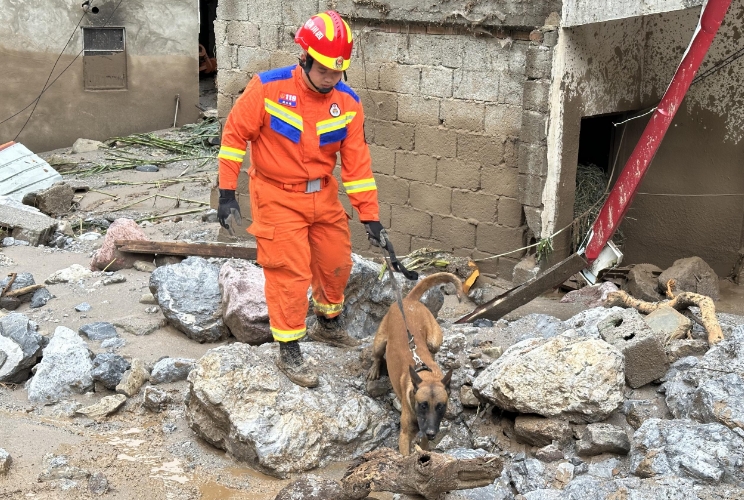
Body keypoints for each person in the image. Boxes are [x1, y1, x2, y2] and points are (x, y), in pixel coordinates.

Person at [216, 11, 387, 388]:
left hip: (323, 195)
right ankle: (289, 347)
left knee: (336, 262)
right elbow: (233, 137)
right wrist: (226, 191)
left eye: (338, 71)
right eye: (324, 69)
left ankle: (328, 324)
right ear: (305, 58)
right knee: (289, 275)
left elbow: (357, 165)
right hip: (276, 196)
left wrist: (370, 217)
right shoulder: (267, 87)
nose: (330, 78)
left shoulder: (348, 102)